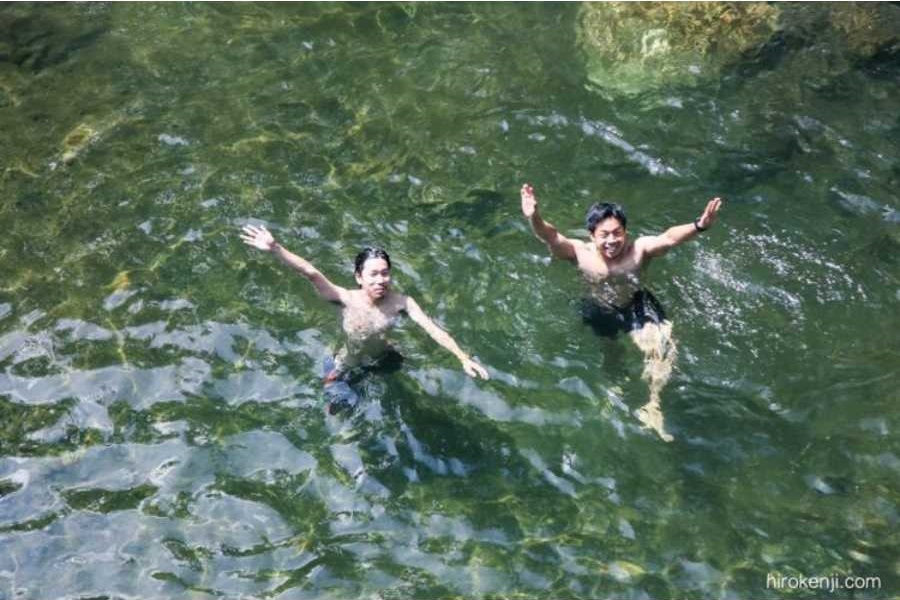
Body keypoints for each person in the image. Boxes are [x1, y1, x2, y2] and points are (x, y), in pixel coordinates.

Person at [520, 184, 722, 441]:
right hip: (599, 307)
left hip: (637, 303)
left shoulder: (639, 250)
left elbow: (669, 238)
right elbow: (551, 236)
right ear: (592, 235)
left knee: (663, 348)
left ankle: (653, 404)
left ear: (626, 232)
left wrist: (699, 225)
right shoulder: (579, 253)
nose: (611, 241)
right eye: (604, 235)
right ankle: (615, 389)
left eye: (617, 233)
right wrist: (534, 217)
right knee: (611, 351)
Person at [240, 224, 489, 412]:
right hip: (347, 363)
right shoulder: (345, 298)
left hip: (385, 354)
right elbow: (310, 272)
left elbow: (432, 329)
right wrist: (275, 248)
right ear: (359, 277)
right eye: (373, 274)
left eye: (385, 273)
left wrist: (463, 357)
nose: (381, 280)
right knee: (340, 404)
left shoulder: (403, 303)